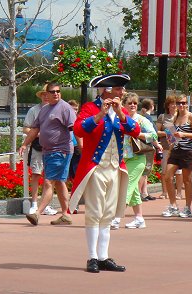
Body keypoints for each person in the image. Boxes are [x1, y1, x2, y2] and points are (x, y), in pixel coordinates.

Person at [68, 74, 140, 273]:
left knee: (108, 213)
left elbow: (135, 130)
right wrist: (100, 115)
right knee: (94, 212)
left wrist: (122, 115)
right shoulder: (89, 108)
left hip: (115, 168)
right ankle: (92, 257)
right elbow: (79, 130)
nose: (122, 92)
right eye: (118, 89)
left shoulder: (121, 110)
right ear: (107, 90)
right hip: (96, 168)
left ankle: (103, 256)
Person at [19, 82, 77, 226]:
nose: (56, 93)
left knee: (48, 181)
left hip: (60, 151)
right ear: (46, 95)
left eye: (58, 91)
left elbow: (75, 128)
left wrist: (79, 146)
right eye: (52, 92)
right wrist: (25, 144)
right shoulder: (44, 110)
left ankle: (37, 213)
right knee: (59, 182)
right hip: (47, 151)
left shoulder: (65, 108)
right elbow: (34, 129)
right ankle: (66, 214)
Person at [110, 93, 162, 230]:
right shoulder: (118, 119)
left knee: (126, 188)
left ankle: (115, 218)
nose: (133, 105)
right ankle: (139, 218)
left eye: (135, 103)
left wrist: (138, 134)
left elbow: (153, 135)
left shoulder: (141, 120)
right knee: (133, 190)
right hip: (122, 159)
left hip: (137, 158)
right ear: (124, 105)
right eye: (130, 103)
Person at [163, 94, 192, 218]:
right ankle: (173, 205)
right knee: (167, 176)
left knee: (187, 180)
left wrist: (184, 134)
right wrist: (171, 138)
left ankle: (187, 208)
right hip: (175, 150)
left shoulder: (191, 117)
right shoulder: (175, 117)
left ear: (187, 104)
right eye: (179, 103)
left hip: (188, 151)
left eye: (183, 103)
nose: (181, 105)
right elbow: (172, 134)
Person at [23, 85, 57, 216]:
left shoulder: (57, 109)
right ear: (42, 96)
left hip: (52, 147)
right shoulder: (34, 110)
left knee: (50, 177)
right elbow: (26, 128)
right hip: (38, 147)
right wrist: (37, 134)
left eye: (48, 94)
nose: (46, 97)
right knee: (36, 174)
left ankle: (45, 205)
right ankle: (34, 204)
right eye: (44, 94)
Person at [156, 96, 183, 205]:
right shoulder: (162, 117)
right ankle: (164, 191)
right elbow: (156, 132)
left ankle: (179, 192)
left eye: (175, 103)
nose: (174, 105)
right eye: (171, 103)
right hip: (166, 147)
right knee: (164, 171)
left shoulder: (181, 117)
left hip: (179, 147)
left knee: (179, 171)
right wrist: (167, 133)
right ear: (167, 105)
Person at [138, 98, 157, 201]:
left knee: (145, 171)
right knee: (145, 171)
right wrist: (157, 145)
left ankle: (144, 192)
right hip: (146, 147)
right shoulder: (147, 119)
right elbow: (153, 134)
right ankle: (139, 193)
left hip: (142, 146)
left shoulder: (141, 117)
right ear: (152, 106)